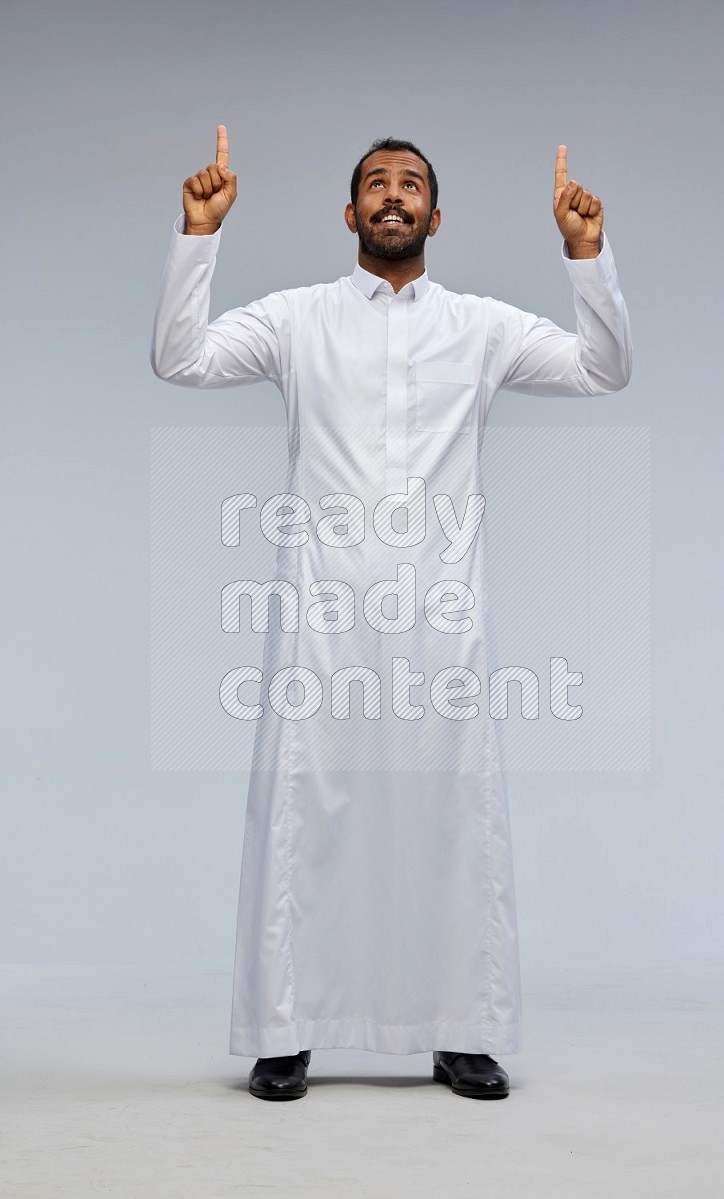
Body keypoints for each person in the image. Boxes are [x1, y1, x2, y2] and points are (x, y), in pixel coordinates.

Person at [150, 126, 632, 1102]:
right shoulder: (298, 319)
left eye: (410, 184)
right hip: (321, 616)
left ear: (435, 216)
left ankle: (461, 1031)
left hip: (441, 620)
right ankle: (284, 1031)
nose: (393, 195)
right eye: (375, 182)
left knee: (452, 818)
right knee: (302, 815)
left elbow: (602, 369)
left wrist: (585, 256)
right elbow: (180, 357)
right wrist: (196, 236)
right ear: (350, 213)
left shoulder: (481, 326)